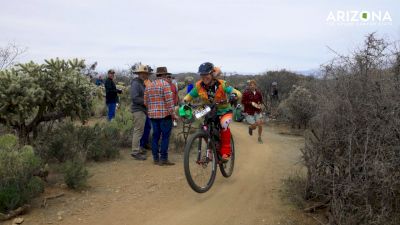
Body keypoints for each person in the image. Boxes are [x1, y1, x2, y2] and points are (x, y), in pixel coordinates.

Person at [183, 62, 241, 161]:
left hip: (223, 109)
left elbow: (237, 92)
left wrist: (234, 95)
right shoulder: (198, 86)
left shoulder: (222, 84)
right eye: (202, 74)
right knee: (201, 125)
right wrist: (185, 102)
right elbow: (189, 96)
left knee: (224, 125)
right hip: (207, 108)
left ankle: (226, 152)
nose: (204, 77)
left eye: (206, 74)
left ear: (212, 74)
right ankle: (210, 148)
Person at [144, 66, 176, 166]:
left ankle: (155, 158)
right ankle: (164, 158)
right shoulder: (165, 85)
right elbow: (170, 102)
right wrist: (173, 114)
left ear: (157, 74)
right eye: (166, 75)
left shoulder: (149, 85)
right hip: (165, 115)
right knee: (165, 137)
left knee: (155, 136)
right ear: (164, 75)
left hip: (153, 116)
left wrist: (152, 109)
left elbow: (145, 102)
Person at [130, 64, 152, 160]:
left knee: (140, 130)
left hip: (141, 110)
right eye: (144, 73)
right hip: (138, 110)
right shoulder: (136, 83)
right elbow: (135, 98)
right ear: (140, 74)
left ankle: (138, 149)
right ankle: (135, 151)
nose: (146, 75)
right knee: (138, 130)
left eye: (147, 73)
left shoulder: (141, 83)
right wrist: (146, 102)